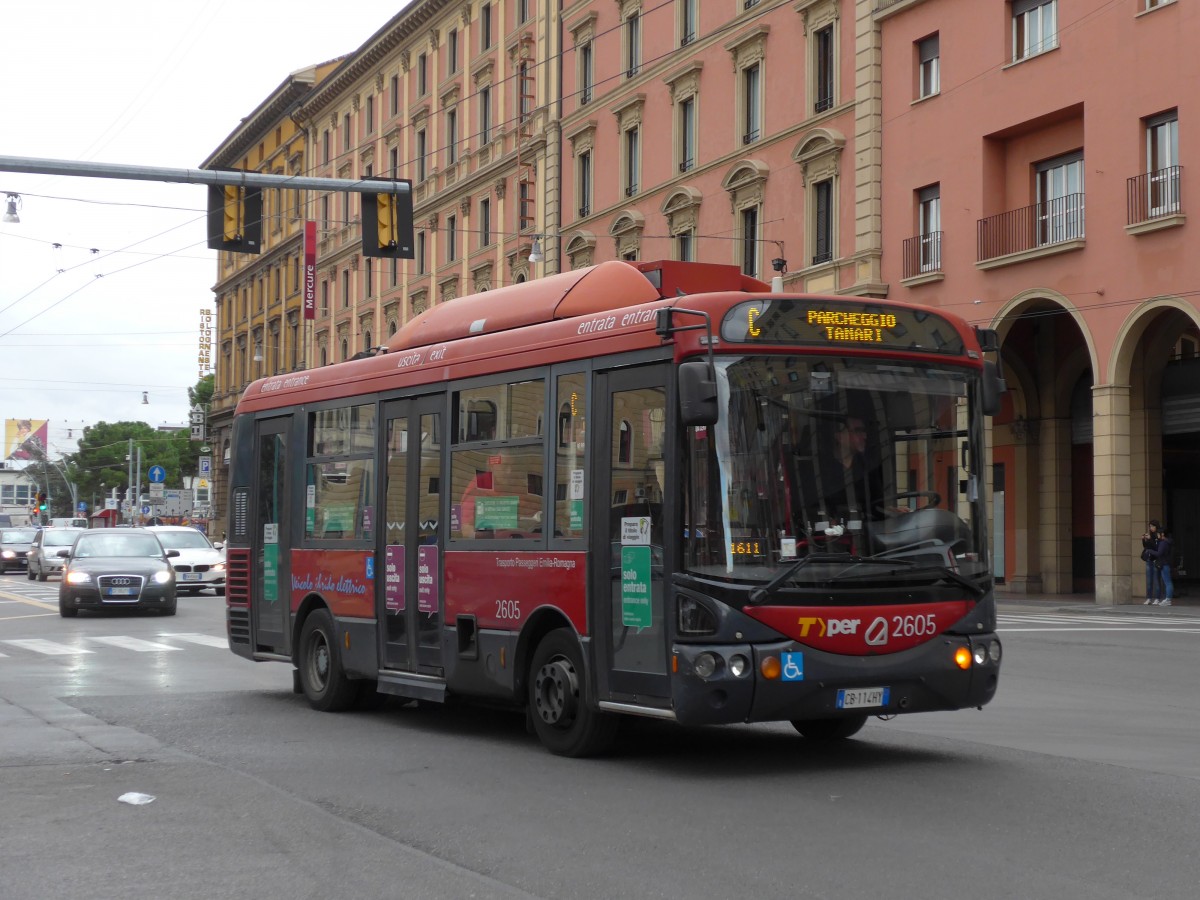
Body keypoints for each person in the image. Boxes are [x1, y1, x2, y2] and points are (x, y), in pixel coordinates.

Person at [1152, 526, 1175, 606]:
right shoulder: (1167, 542)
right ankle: (1168, 599)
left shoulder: (1163, 543)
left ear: (1162, 534)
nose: (1157, 535)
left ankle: (1168, 599)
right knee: (1168, 582)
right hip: (1166, 563)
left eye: (1158, 534)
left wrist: (1150, 551)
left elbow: (1159, 553)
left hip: (1164, 564)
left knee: (1167, 582)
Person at [1140, 520, 1161, 605]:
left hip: (1156, 559)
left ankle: (1157, 598)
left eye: (1152, 526)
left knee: (1156, 580)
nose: (1151, 528)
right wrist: (1144, 540)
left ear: (1156, 527)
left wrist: (1150, 539)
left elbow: (1156, 547)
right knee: (1149, 580)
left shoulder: (1158, 535)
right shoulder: (1150, 535)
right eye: (1150, 526)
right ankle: (1149, 598)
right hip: (1149, 560)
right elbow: (1146, 547)